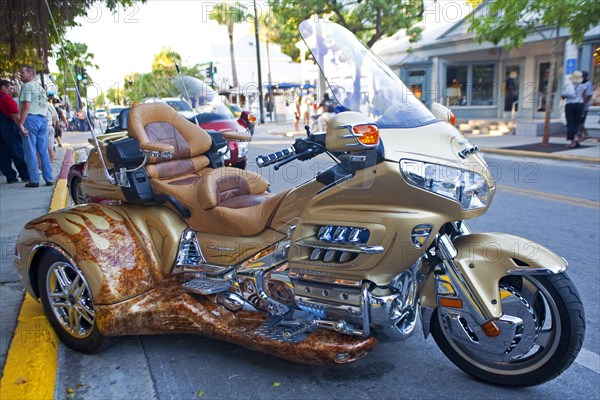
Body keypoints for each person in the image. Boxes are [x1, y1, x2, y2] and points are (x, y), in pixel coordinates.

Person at [18, 65, 54, 187]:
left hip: (31, 119)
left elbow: (26, 105)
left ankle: (34, 180)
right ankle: (49, 178)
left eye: (22, 72)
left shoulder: (26, 86)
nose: (20, 74)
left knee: (30, 151)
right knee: (43, 150)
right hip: (43, 119)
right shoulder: (40, 88)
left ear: (30, 74)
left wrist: (21, 123)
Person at [0, 80, 30, 183]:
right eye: (10, 88)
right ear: (3, 87)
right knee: (17, 152)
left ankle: (10, 177)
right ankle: (25, 175)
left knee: (2, 154)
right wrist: (21, 126)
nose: (11, 90)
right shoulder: (7, 99)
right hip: (9, 128)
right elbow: (15, 115)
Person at [561, 70, 585, 148]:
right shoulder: (582, 86)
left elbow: (564, 96)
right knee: (577, 123)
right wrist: (583, 109)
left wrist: (563, 96)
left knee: (570, 123)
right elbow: (583, 97)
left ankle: (572, 141)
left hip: (570, 105)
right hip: (579, 105)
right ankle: (576, 139)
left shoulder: (569, 85)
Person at [578, 71, 593, 141]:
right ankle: (581, 135)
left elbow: (588, 96)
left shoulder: (588, 84)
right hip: (579, 103)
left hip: (584, 105)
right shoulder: (581, 84)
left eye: (582, 76)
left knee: (580, 121)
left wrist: (583, 105)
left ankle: (585, 134)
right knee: (579, 121)